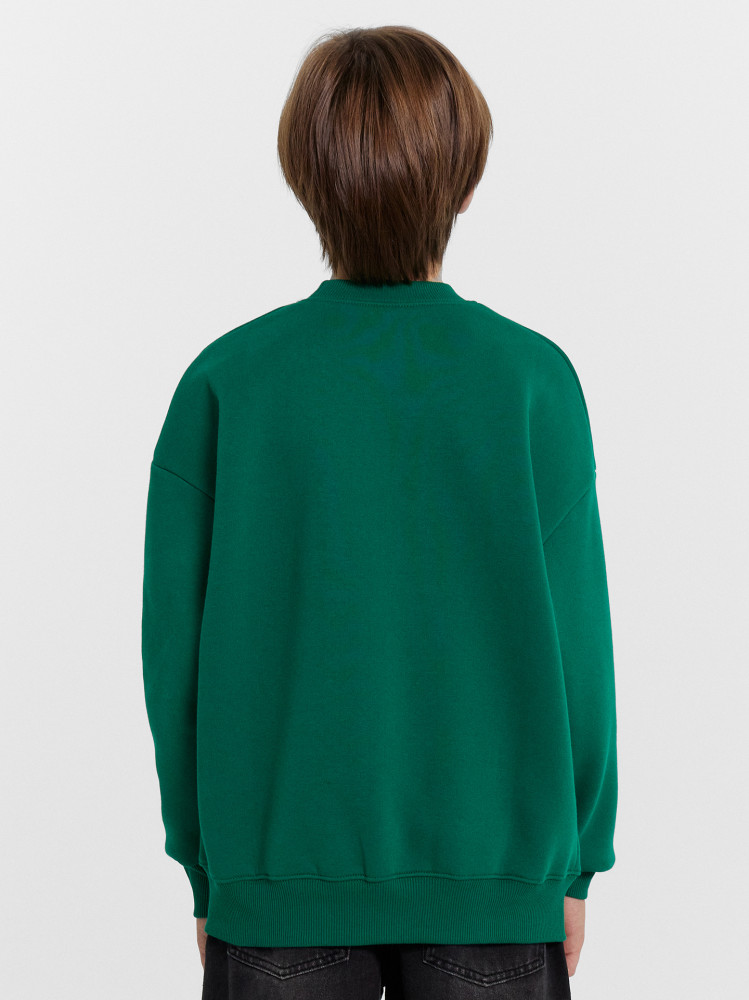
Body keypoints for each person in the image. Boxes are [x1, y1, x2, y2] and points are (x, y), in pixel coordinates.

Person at [141, 24, 618, 1000]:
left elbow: (172, 665)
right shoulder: (531, 381)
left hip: (277, 885)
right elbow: (579, 650)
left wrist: (208, 870)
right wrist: (572, 865)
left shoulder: (228, 381)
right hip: (493, 889)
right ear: (464, 181)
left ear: (304, 179)